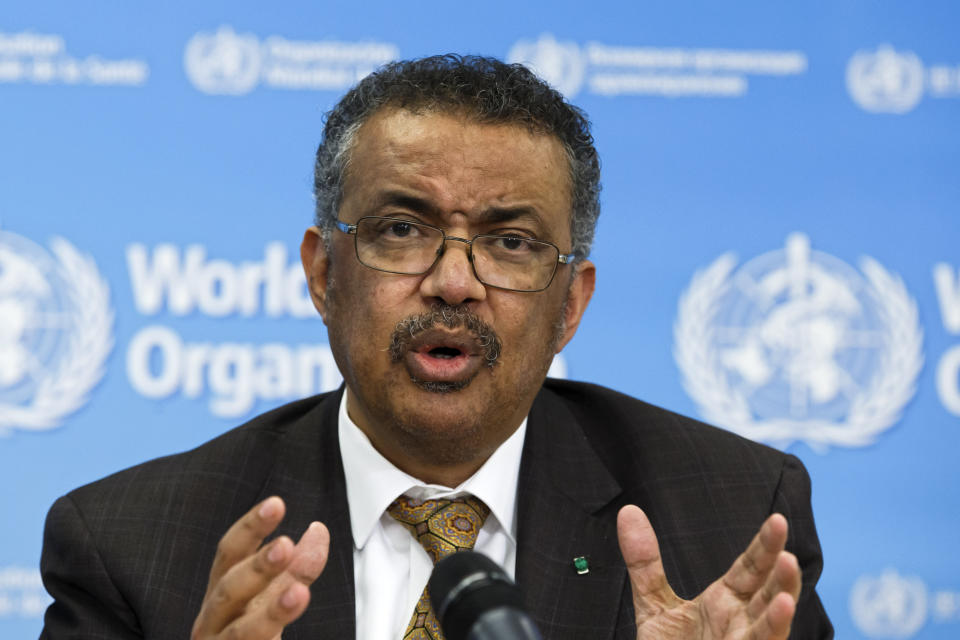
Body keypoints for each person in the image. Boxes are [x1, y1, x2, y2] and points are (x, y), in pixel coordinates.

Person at [40, 55, 832, 640]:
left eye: (512, 241)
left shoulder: (732, 523)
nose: (454, 282)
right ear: (322, 274)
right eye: (401, 229)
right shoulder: (133, 546)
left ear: (571, 305)